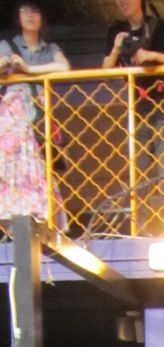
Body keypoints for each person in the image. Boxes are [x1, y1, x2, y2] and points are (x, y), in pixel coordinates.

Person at [102, 0, 164, 235]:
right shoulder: (116, 30)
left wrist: (151, 55)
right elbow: (106, 71)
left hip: (163, 105)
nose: (122, 2)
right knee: (136, 171)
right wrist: (117, 48)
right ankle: (137, 228)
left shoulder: (158, 27)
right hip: (137, 109)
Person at [0, 2, 69, 227]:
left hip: (39, 115)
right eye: (25, 10)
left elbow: (64, 67)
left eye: (35, 11)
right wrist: (7, 63)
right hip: (13, 120)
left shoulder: (49, 49)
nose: (30, 15)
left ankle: (40, 218)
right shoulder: (7, 45)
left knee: (40, 169)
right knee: (13, 169)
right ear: (17, 16)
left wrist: (28, 69)